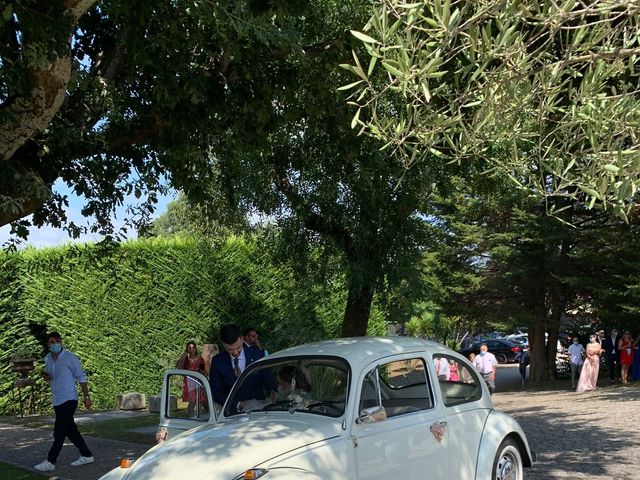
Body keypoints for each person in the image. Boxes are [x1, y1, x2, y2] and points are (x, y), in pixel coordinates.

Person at [34, 332, 94, 472]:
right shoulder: (48, 358)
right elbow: (52, 377)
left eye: (56, 341)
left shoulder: (70, 358)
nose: (54, 344)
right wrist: (46, 377)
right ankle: (86, 454)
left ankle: (50, 461)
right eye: (51, 342)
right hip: (57, 399)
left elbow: (81, 377)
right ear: (48, 344)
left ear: (60, 342)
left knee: (59, 431)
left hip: (69, 398)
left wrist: (86, 397)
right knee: (70, 430)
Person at [210, 324, 275, 408]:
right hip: (231, 414)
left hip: (258, 410)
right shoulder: (217, 362)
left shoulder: (258, 355)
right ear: (223, 343)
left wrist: (273, 392)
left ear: (242, 339)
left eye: (238, 347)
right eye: (230, 349)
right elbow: (216, 392)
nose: (235, 352)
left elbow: (269, 379)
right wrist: (238, 404)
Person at [176, 341, 205, 416]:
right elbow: (179, 368)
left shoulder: (200, 359)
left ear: (195, 349)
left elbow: (203, 370)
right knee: (192, 400)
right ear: (187, 349)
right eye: (189, 348)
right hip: (189, 381)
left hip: (198, 380)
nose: (191, 349)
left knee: (199, 400)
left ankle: (198, 417)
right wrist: (183, 356)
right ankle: (190, 416)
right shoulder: (185, 359)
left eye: (193, 347)